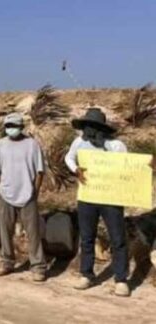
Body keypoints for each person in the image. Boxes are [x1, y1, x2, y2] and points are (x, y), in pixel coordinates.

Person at [64, 108, 131, 297]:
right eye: (87, 126)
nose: (89, 130)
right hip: (87, 198)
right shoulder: (79, 143)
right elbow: (68, 157)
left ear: (102, 128)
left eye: (93, 126)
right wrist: (76, 169)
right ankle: (87, 274)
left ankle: (121, 279)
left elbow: (128, 167)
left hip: (111, 198)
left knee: (117, 239)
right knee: (87, 237)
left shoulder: (116, 146)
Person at [0, 113, 47, 281]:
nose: (11, 129)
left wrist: (35, 192)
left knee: (33, 232)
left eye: (14, 126)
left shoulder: (32, 145)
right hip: (5, 194)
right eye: (8, 126)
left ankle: (38, 266)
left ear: (22, 127)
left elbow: (40, 171)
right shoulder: (0, 145)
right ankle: (7, 262)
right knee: (5, 231)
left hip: (27, 194)